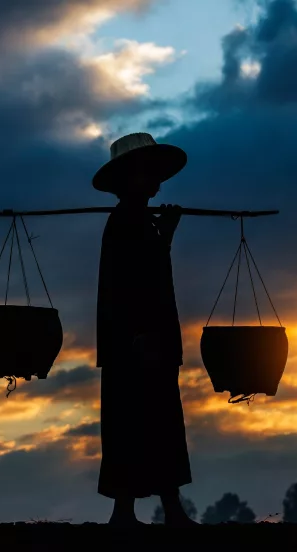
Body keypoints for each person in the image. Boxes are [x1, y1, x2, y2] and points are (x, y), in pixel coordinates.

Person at [92, 132, 197, 527]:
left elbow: (151, 271)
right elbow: (132, 284)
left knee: (150, 421)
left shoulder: (136, 222)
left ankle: (154, 508)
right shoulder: (126, 223)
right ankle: (138, 510)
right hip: (136, 341)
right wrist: (141, 334)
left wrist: (165, 234)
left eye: (155, 175)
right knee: (144, 421)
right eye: (146, 174)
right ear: (126, 180)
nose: (154, 182)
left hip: (141, 340)